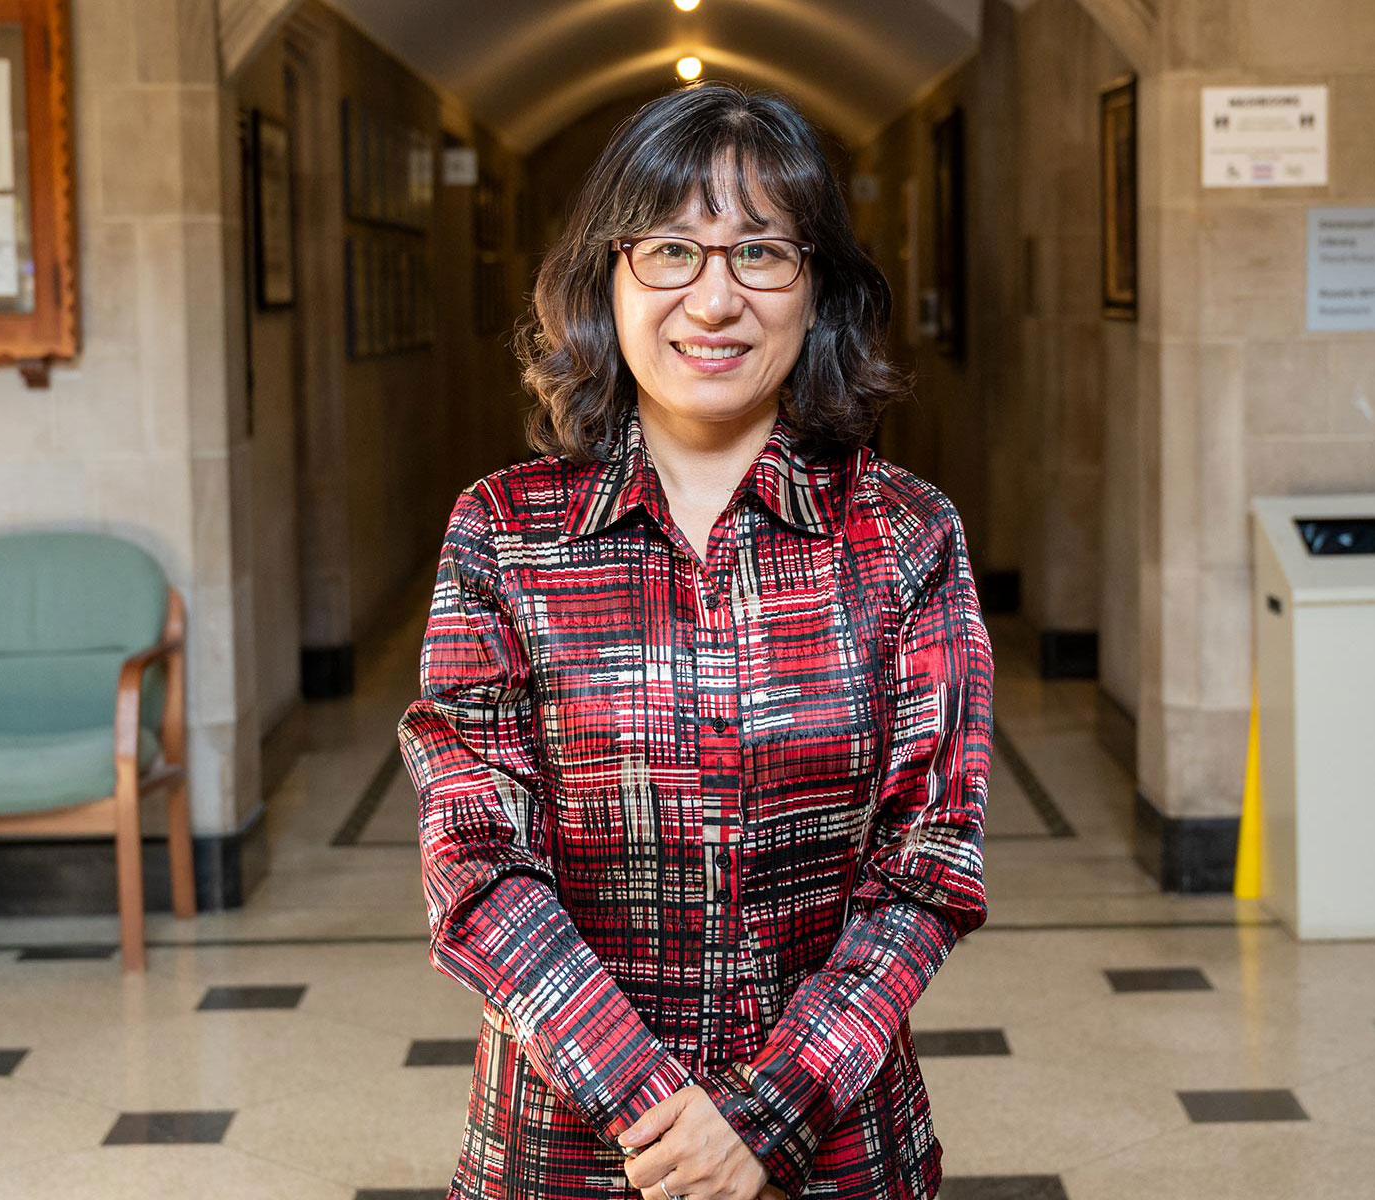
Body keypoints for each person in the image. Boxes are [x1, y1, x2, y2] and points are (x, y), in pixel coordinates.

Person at [398, 82, 992, 1200]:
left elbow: (928, 865)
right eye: (671, 249)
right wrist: (664, 1117)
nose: (713, 300)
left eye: (761, 252)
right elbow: (473, 860)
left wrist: (766, 1117)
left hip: (838, 1150)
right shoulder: (505, 535)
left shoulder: (908, 538)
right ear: (606, 281)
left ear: (816, 290)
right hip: (568, 1149)